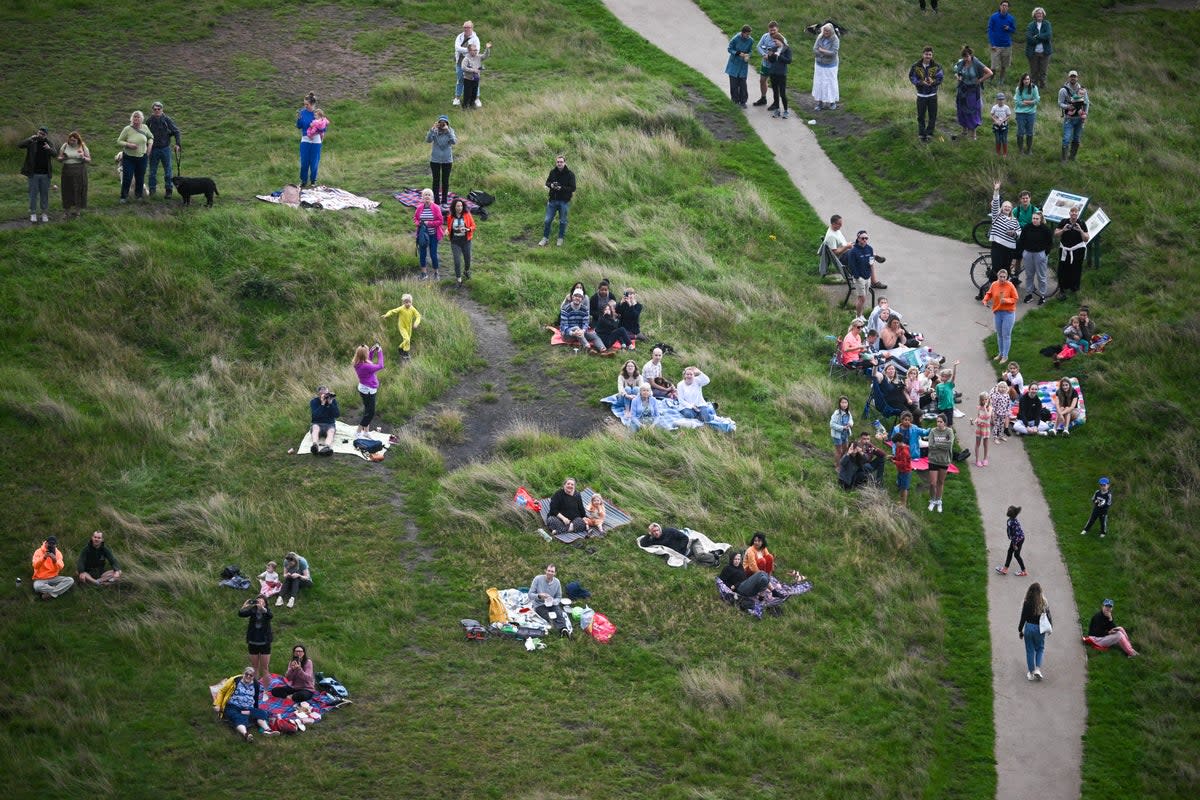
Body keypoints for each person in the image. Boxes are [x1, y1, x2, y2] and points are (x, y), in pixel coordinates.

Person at [978, 182, 1021, 301]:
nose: (1007, 207)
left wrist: (1014, 233)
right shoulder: (997, 215)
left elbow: (1019, 232)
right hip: (997, 246)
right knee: (996, 270)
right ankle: (985, 292)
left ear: (1012, 209)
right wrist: (996, 191)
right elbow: (995, 203)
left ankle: (1003, 295)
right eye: (1005, 206)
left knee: (1005, 271)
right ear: (1002, 208)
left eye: (1009, 206)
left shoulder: (1015, 220)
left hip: (1009, 248)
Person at [224, 667, 279, 742]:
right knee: (238, 717)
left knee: (260, 713)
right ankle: (246, 734)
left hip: (246, 710)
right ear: (243, 674)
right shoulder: (236, 681)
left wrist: (255, 709)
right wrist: (217, 705)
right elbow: (223, 691)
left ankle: (267, 730)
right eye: (247, 674)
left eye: (251, 675)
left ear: (253, 677)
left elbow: (255, 698)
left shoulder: (255, 685)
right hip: (234, 707)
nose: (248, 676)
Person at [953, 46, 993, 141]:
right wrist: (958, 77)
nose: (965, 59)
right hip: (962, 89)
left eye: (967, 56)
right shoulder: (961, 63)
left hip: (972, 90)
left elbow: (990, 73)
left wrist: (980, 80)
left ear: (970, 55)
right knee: (961, 109)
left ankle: (973, 134)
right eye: (964, 57)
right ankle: (964, 131)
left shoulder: (977, 63)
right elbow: (956, 71)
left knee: (972, 110)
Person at [145, 101, 182, 198]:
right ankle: (152, 191)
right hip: (153, 149)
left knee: (168, 171)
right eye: (155, 109)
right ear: (152, 110)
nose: (157, 111)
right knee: (152, 171)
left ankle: (168, 190)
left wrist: (177, 144)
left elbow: (176, 131)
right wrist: (146, 147)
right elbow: (144, 134)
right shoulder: (149, 121)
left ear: (162, 110)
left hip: (165, 148)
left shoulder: (166, 120)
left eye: (159, 109)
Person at [983, 267, 1019, 363]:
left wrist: (1006, 300)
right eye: (1000, 276)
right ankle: (1000, 353)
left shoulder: (1010, 285)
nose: (1002, 278)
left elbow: (1015, 299)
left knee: (1006, 335)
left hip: (1008, 313)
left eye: (1004, 277)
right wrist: (985, 299)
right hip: (998, 312)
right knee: (999, 334)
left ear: (1007, 277)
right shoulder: (994, 284)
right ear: (997, 276)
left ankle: (1005, 356)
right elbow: (989, 293)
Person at [19, 127, 56, 223]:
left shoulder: (49, 143)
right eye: (39, 133)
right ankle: (33, 213)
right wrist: (29, 138)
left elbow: (55, 154)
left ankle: (44, 213)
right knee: (33, 194)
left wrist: (49, 149)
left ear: (46, 135)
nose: (41, 135)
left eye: (43, 134)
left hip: (45, 174)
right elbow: (20, 145)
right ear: (37, 133)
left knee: (44, 195)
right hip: (33, 174)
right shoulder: (32, 141)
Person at [538, 155, 575, 247]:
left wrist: (561, 188)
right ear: (556, 163)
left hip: (564, 202)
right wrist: (551, 185)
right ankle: (545, 238)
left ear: (565, 163)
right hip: (552, 201)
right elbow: (547, 182)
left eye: (561, 162)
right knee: (547, 220)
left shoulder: (570, 174)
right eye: (558, 162)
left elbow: (573, 188)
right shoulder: (552, 172)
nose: (559, 163)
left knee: (563, 221)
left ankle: (560, 238)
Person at [1053, 205, 1090, 299]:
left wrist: (1080, 230)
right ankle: (1062, 289)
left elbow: (1086, 238)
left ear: (1078, 213)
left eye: (1076, 212)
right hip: (1065, 250)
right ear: (1069, 213)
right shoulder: (1064, 222)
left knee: (1076, 269)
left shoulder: (1081, 223)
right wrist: (1064, 229)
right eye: (1072, 211)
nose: (1074, 213)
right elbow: (1056, 234)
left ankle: (1075, 288)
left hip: (1077, 250)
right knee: (1062, 269)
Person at [1017, 211, 1054, 304]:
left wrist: (1045, 253)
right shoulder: (1027, 227)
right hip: (1028, 253)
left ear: (1040, 219)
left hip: (1040, 254)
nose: (1035, 220)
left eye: (1037, 219)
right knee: (1029, 275)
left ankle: (1042, 295)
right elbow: (1022, 240)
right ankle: (1029, 294)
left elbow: (1050, 242)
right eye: (1033, 218)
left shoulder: (1045, 229)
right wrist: (1023, 252)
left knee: (1041, 276)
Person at [117, 111, 154, 202]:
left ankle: (139, 196)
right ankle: (123, 197)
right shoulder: (127, 129)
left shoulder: (145, 127)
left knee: (140, 177)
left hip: (142, 157)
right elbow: (119, 141)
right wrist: (128, 145)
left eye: (138, 117)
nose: (136, 119)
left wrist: (149, 145)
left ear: (142, 119)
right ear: (132, 119)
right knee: (127, 177)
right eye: (134, 117)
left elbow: (151, 137)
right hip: (129, 157)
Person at [1018, 582, 1051, 680]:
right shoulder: (1044, 602)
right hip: (1040, 629)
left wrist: (1020, 630)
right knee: (1040, 648)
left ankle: (1031, 673)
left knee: (1030, 650)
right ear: (1040, 592)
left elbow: (1023, 617)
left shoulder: (1027, 602)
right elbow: (1049, 616)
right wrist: (1050, 627)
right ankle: (1037, 669)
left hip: (1028, 627)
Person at [909, 46, 944, 142]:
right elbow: (912, 77)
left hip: (932, 95)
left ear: (932, 55)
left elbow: (940, 78)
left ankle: (929, 134)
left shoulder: (937, 66)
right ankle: (921, 134)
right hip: (921, 95)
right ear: (922, 54)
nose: (928, 56)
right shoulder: (916, 66)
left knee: (932, 115)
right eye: (926, 54)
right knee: (921, 116)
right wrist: (920, 82)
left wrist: (933, 82)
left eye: (930, 54)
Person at [413, 188, 446, 280]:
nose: (427, 196)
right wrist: (418, 223)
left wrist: (429, 223)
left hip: (433, 235)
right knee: (422, 254)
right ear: (422, 197)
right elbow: (415, 218)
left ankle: (436, 273)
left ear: (432, 197)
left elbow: (440, 221)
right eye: (425, 195)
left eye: (429, 195)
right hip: (422, 235)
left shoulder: (436, 207)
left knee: (433, 254)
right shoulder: (419, 207)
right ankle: (424, 274)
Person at [239, 595, 273, 683]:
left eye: (261, 601)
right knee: (254, 667)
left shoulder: (267, 611)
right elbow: (241, 614)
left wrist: (262, 608)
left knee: (265, 668)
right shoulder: (253, 610)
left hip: (264, 643)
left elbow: (270, 615)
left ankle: (266, 689)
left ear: (265, 603)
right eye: (258, 601)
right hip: (253, 642)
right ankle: (255, 687)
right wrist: (244, 607)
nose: (259, 603)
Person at [56, 131, 90, 217]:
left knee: (78, 190)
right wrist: (63, 157)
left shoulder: (82, 146)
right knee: (67, 190)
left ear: (78, 140)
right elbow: (59, 158)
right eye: (70, 140)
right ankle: (67, 212)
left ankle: (77, 211)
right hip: (67, 171)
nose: (71, 142)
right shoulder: (65, 146)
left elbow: (89, 160)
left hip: (79, 171)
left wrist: (83, 157)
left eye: (74, 140)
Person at [1058, 69, 1090, 162]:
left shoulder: (1082, 90)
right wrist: (1068, 106)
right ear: (1068, 78)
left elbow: (1086, 103)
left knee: (1076, 139)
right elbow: (1060, 103)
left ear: (1077, 78)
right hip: (1069, 118)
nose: (1073, 78)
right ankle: (1064, 159)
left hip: (1080, 119)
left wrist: (1085, 114)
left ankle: (1072, 157)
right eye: (1071, 76)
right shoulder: (1063, 90)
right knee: (1066, 139)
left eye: (1074, 76)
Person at [353, 343, 384, 435]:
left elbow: (367, 359)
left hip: (363, 388)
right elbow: (380, 365)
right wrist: (379, 352)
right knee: (370, 413)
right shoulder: (366, 366)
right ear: (364, 355)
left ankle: (366, 432)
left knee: (367, 410)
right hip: (368, 390)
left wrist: (371, 351)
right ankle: (358, 432)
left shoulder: (357, 362)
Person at [529, 563, 569, 634]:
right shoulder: (538, 579)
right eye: (548, 570)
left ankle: (564, 629)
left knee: (559, 613)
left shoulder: (557, 582)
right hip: (539, 604)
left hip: (552, 604)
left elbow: (559, 597)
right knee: (548, 616)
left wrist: (553, 601)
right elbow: (530, 595)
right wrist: (539, 595)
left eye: (552, 571)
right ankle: (556, 628)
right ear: (545, 571)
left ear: (555, 573)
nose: (550, 573)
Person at [426, 115, 456, 207]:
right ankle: (436, 201)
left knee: (445, 181)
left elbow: (454, 142)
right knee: (436, 180)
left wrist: (448, 131)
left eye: (444, 123)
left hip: (447, 160)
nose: (442, 124)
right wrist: (432, 130)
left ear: (447, 123)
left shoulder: (450, 131)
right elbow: (428, 140)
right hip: (435, 160)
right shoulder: (434, 131)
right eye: (440, 122)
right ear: (438, 123)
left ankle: (444, 201)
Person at [752, 21, 784, 106]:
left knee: (775, 85)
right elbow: (758, 46)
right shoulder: (765, 36)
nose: (772, 32)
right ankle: (763, 98)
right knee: (762, 81)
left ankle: (775, 102)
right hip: (765, 64)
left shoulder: (781, 39)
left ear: (778, 29)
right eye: (771, 30)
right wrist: (764, 54)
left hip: (775, 65)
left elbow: (784, 49)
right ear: (768, 30)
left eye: (774, 30)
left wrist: (772, 56)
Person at [927, 415, 954, 512]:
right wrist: (942, 444)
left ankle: (939, 501)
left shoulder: (949, 431)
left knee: (940, 482)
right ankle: (932, 500)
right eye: (937, 421)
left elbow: (949, 445)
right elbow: (930, 445)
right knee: (932, 483)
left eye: (941, 421)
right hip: (933, 460)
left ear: (945, 423)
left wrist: (937, 444)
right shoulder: (933, 431)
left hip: (944, 461)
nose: (938, 423)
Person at [382, 294, 422, 360]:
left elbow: (418, 316)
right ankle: (401, 349)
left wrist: (416, 324)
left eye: (409, 302)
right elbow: (392, 311)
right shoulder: (401, 308)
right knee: (407, 339)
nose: (408, 304)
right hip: (402, 327)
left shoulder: (412, 309)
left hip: (409, 327)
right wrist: (387, 315)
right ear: (403, 302)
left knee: (407, 341)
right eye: (406, 302)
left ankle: (405, 353)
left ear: (411, 302)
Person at [296, 92, 323, 188]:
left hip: (316, 140)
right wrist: (298, 119)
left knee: (314, 161)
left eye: (307, 104)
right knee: (304, 161)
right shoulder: (302, 112)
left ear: (312, 104)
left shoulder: (318, 113)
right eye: (304, 104)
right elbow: (299, 126)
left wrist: (316, 128)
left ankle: (313, 181)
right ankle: (303, 181)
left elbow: (324, 128)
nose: (305, 106)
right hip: (305, 139)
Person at [763, 32, 793, 119]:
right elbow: (771, 61)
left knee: (782, 93)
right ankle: (777, 109)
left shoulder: (787, 49)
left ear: (780, 40)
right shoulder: (774, 48)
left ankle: (786, 110)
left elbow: (789, 61)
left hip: (782, 73)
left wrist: (779, 56)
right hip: (773, 73)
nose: (774, 43)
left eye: (775, 41)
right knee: (775, 92)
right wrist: (770, 56)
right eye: (774, 42)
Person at [452, 21, 482, 107]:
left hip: (472, 62)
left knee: (474, 80)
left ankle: (476, 99)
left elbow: (477, 50)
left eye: (468, 27)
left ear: (472, 28)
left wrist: (467, 50)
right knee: (460, 79)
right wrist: (469, 50)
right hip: (460, 61)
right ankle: (457, 98)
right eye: (464, 27)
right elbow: (457, 48)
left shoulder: (475, 38)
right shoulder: (459, 37)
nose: (466, 29)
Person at [987, 1, 1018, 85]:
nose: (1004, 7)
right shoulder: (994, 17)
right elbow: (990, 30)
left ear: (1008, 8)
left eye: (1006, 6)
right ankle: (990, 80)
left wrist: (1009, 28)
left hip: (1007, 45)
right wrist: (992, 43)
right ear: (1000, 6)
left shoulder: (1011, 18)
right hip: (996, 45)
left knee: (1004, 66)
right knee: (993, 66)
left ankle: (1001, 81)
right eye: (1003, 5)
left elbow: (1014, 30)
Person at [447, 196, 475, 286]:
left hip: (466, 241)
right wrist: (447, 231)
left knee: (467, 260)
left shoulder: (467, 215)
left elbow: (474, 226)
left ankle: (466, 271)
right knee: (457, 261)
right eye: (457, 206)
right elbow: (449, 228)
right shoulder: (450, 217)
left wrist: (468, 229)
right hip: (455, 242)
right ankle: (459, 279)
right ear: (454, 207)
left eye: (461, 206)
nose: (459, 208)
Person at [846, 231, 875, 316]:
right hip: (860, 278)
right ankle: (858, 316)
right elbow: (851, 265)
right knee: (861, 298)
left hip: (867, 276)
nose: (865, 240)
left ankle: (861, 314)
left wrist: (870, 272)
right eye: (863, 238)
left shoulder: (869, 248)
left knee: (864, 297)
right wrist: (857, 276)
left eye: (866, 238)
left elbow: (871, 260)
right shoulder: (853, 251)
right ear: (858, 239)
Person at [811, 23, 839, 113]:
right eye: (824, 30)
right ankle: (820, 103)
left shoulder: (835, 39)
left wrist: (822, 51)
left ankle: (832, 102)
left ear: (831, 31)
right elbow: (815, 49)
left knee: (830, 84)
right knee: (819, 83)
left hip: (830, 66)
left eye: (827, 31)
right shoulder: (820, 37)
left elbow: (833, 53)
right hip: (819, 65)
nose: (825, 32)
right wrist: (823, 53)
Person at [725, 25, 754, 107]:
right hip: (734, 63)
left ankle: (743, 101)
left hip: (743, 64)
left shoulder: (751, 40)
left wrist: (748, 55)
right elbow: (729, 49)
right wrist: (738, 53)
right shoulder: (735, 39)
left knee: (743, 84)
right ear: (742, 33)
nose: (748, 36)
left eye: (749, 34)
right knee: (734, 84)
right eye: (747, 34)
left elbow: (750, 50)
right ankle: (734, 101)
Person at [996, 505, 1029, 575]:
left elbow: (1015, 535)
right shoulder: (1011, 520)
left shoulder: (1013, 523)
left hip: (1018, 540)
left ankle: (1024, 571)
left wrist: (1014, 544)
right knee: (1010, 552)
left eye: (1008, 510)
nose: (1007, 511)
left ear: (1010, 514)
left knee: (1016, 555)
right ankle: (1005, 569)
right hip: (1018, 539)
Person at [1013, 73, 1040, 156]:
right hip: (1020, 113)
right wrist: (1032, 102)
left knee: (1030, 132)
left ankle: (1029, 150)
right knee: (1020, 131)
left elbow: (1037, 100)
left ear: (1030, 80)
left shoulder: (1034, 87)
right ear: (1022, 80)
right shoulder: (1018, 89)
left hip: (1031, 113)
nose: (1026, 81)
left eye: (1028, 79)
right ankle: (1020, 150)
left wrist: (1026, 102)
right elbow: (1018, 102)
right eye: (1025, 79)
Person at [1025, 8, 1053, 89]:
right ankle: (1034, 87)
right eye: (1037, 13)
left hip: (1045, 52)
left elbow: (1048, 36)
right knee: (1034, 71)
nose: (1039, 15)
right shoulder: (1031, 25)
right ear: (1034, 15)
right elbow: (1029, 39)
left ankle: (1043, 86)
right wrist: (1041, 38)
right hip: (1033, 52)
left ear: (1043, 15)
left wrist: (1037, 36)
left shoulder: (1047, 24)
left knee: (1043, 71)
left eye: (1041, 13)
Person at [460, 41, 491, 111]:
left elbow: (486, 56)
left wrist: (487, 48)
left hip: (476, 79)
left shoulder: (478, 57)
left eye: (476, 50)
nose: (476, 51)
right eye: (474, 50)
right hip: (468, 79)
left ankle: (472, 105)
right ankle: (464, 107)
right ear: (469, 51)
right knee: (467, 94)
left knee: (474, 93)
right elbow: (463, 68)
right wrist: (473, 70)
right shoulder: (466, 59)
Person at [819, 213, 853, 278]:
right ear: (833, 224)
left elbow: (841, 244)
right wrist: (847, 246)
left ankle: (871, 255)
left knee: (862, 243)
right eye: (839, 224)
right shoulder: (831, 236)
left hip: (847, 251)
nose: (841, 225)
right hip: (843, 257)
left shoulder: (836, 230)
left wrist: (848, 245)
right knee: (862, 255)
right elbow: (835, 252)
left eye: (841, 223)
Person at [309, 385, 339, 454]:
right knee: (315, 428)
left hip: (329, 424)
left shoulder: (332, 401)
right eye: (322, 394)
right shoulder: (314, 402)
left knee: (331, 431)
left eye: (326, 394)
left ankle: (327, 447)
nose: (325, 396)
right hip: (317, 423)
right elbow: (315, 416)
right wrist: (322, 404)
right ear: (318, 394)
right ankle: (315, 445)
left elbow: (337, 415)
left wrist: (331, 404)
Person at [830, 395, 853, 471]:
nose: (844, 404)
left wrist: (850, 424)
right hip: (837, 435)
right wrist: (842, 427)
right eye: (842, 402)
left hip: (845, 434)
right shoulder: (836, 413)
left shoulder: (848, 413)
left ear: (848, 403)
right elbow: (832, 424)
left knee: (845, 449)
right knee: (839, 451)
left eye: (846, 402)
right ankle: (837, 466)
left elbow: (851, 421)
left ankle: (840, 462)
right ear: (839, 404)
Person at [891, 429, 914, 507]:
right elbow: (898, 457)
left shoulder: (904, 451)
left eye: (895, 443)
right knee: (901, 486)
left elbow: (904, 463)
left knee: (904, 488)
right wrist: (893, 457)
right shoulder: (898, 448)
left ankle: (904, 504)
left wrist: (895, 462)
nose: (895, 445)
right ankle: (901, 501)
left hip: (906, 471)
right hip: (900, 470)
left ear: (899, 442)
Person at [935, 360, 960, 427]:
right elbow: (937, 395)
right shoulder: (938, 386)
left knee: (949, 422)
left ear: (948, 377)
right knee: (941, 421)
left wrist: (954, 366)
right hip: (941, 406)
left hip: (949, 406)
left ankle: (950, 433)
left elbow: (954, 376)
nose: (943, 378)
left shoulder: (949, 384)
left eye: (945, 376)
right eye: (942, 376)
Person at [972, 392, 992, 467]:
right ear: (981, 400)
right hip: (979, 427)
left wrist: (985, 408)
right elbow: (978, 416)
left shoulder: (989, 408)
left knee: (985, 444)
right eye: (983, 400)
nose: (985, 401)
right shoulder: (979, 407)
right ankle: (977, 460)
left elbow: (988, 416)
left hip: (986, 428)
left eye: (986, 399)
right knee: (977, 444)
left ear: (988, 399)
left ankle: (985, 458)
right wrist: (976, 420)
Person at [990, 92, 1012, 157]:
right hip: (996, 126)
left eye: (1002, 99)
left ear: (1004, 100)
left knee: (1004, 139)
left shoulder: (1006, 107)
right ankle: (998, 152)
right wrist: (996, 120)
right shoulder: (994, 107)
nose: (1001, 101)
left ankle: (1005, 153)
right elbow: (991, 115)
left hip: (1004, 126)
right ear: (997, 100)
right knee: (998, 139)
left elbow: (1009, 115)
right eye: (999, 99)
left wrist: (1002, 120)